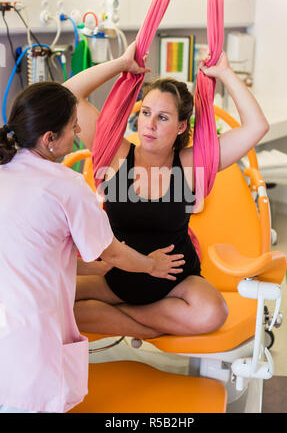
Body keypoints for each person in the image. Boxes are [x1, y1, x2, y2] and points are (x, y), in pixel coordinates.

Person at [0, 52, 186, 413]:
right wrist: (150, 265)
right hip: (33, 332)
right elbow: (111, 253)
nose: (80, 131)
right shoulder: (66, 185)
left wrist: (120, 63)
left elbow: (37, 248)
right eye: (73, 126)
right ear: (51, 138)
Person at [66, 43, 270, 339]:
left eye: (162, 117)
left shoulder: (191, 166)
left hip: (174, 281)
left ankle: (129, 319)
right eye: (146, 112)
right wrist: (121, 63)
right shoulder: (115, 154)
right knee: (53, 301)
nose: (149, 124)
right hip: (116, 276)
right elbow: (67, 96)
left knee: (213, 312)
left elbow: (257, 126)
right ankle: (150, 327)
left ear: (180, 126)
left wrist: (225, 73)